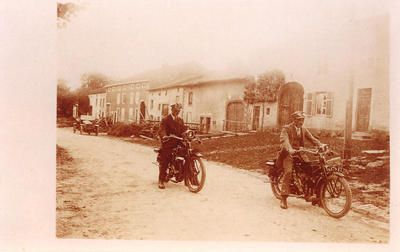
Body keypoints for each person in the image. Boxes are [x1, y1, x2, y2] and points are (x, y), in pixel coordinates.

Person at [277, 111, 323, 209]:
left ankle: (315, 197)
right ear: (294, 120)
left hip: (300, 153)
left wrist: (320, 145)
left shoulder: (303, 129)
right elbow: (284, 140)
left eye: (302, 120)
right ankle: (283, 198)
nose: (301, 122)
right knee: (288, 172)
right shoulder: (286, 129)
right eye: (299, 120)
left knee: (311, 171)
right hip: (287, 153)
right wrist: (290, 149)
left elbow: (312, 139)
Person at [157, 103, 187, 189]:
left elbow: (183, 129)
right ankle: (161, 180)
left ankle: (191, 178)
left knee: (188, 153)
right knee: (166, 158)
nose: (177, 112)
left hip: (178, 141)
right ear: (172, 110)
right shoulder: (166, 119)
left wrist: (187, 133)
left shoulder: (180, 120)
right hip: (168, 141)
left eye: (178, 111)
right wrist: (164, 136)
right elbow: (161, 130)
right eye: (175, 110)